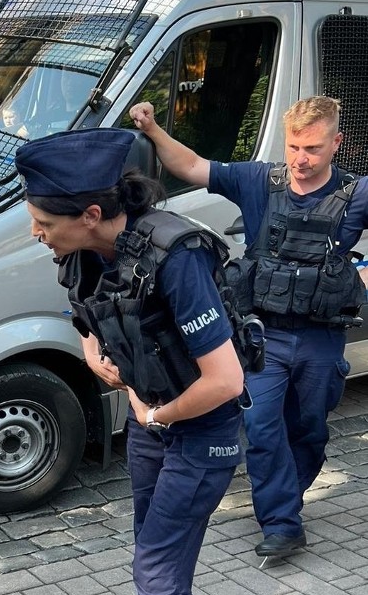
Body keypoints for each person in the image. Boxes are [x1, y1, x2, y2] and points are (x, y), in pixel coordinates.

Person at [15, 128, 245, 595]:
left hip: (202, 429)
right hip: (150, 419)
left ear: (90, 213)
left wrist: (156, 412)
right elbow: (84, 320)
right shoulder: (85, 251)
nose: (35, 232)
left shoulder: (177, 256)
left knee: (161, 570)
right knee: (150, 554)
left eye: (41, 221)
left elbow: (227, 380)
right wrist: (98, 360)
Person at [130, 96, 368, 559]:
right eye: (295, 146)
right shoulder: (261, 180)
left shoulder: (355, 194)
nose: (301, 159)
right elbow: (194, 165)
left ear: (336, 143)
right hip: (264, 336)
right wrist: (154, 129)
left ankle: (287, 501)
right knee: (260, 426)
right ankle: (281, 522)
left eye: (314, 149)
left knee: (309, 429)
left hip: (322, 337)